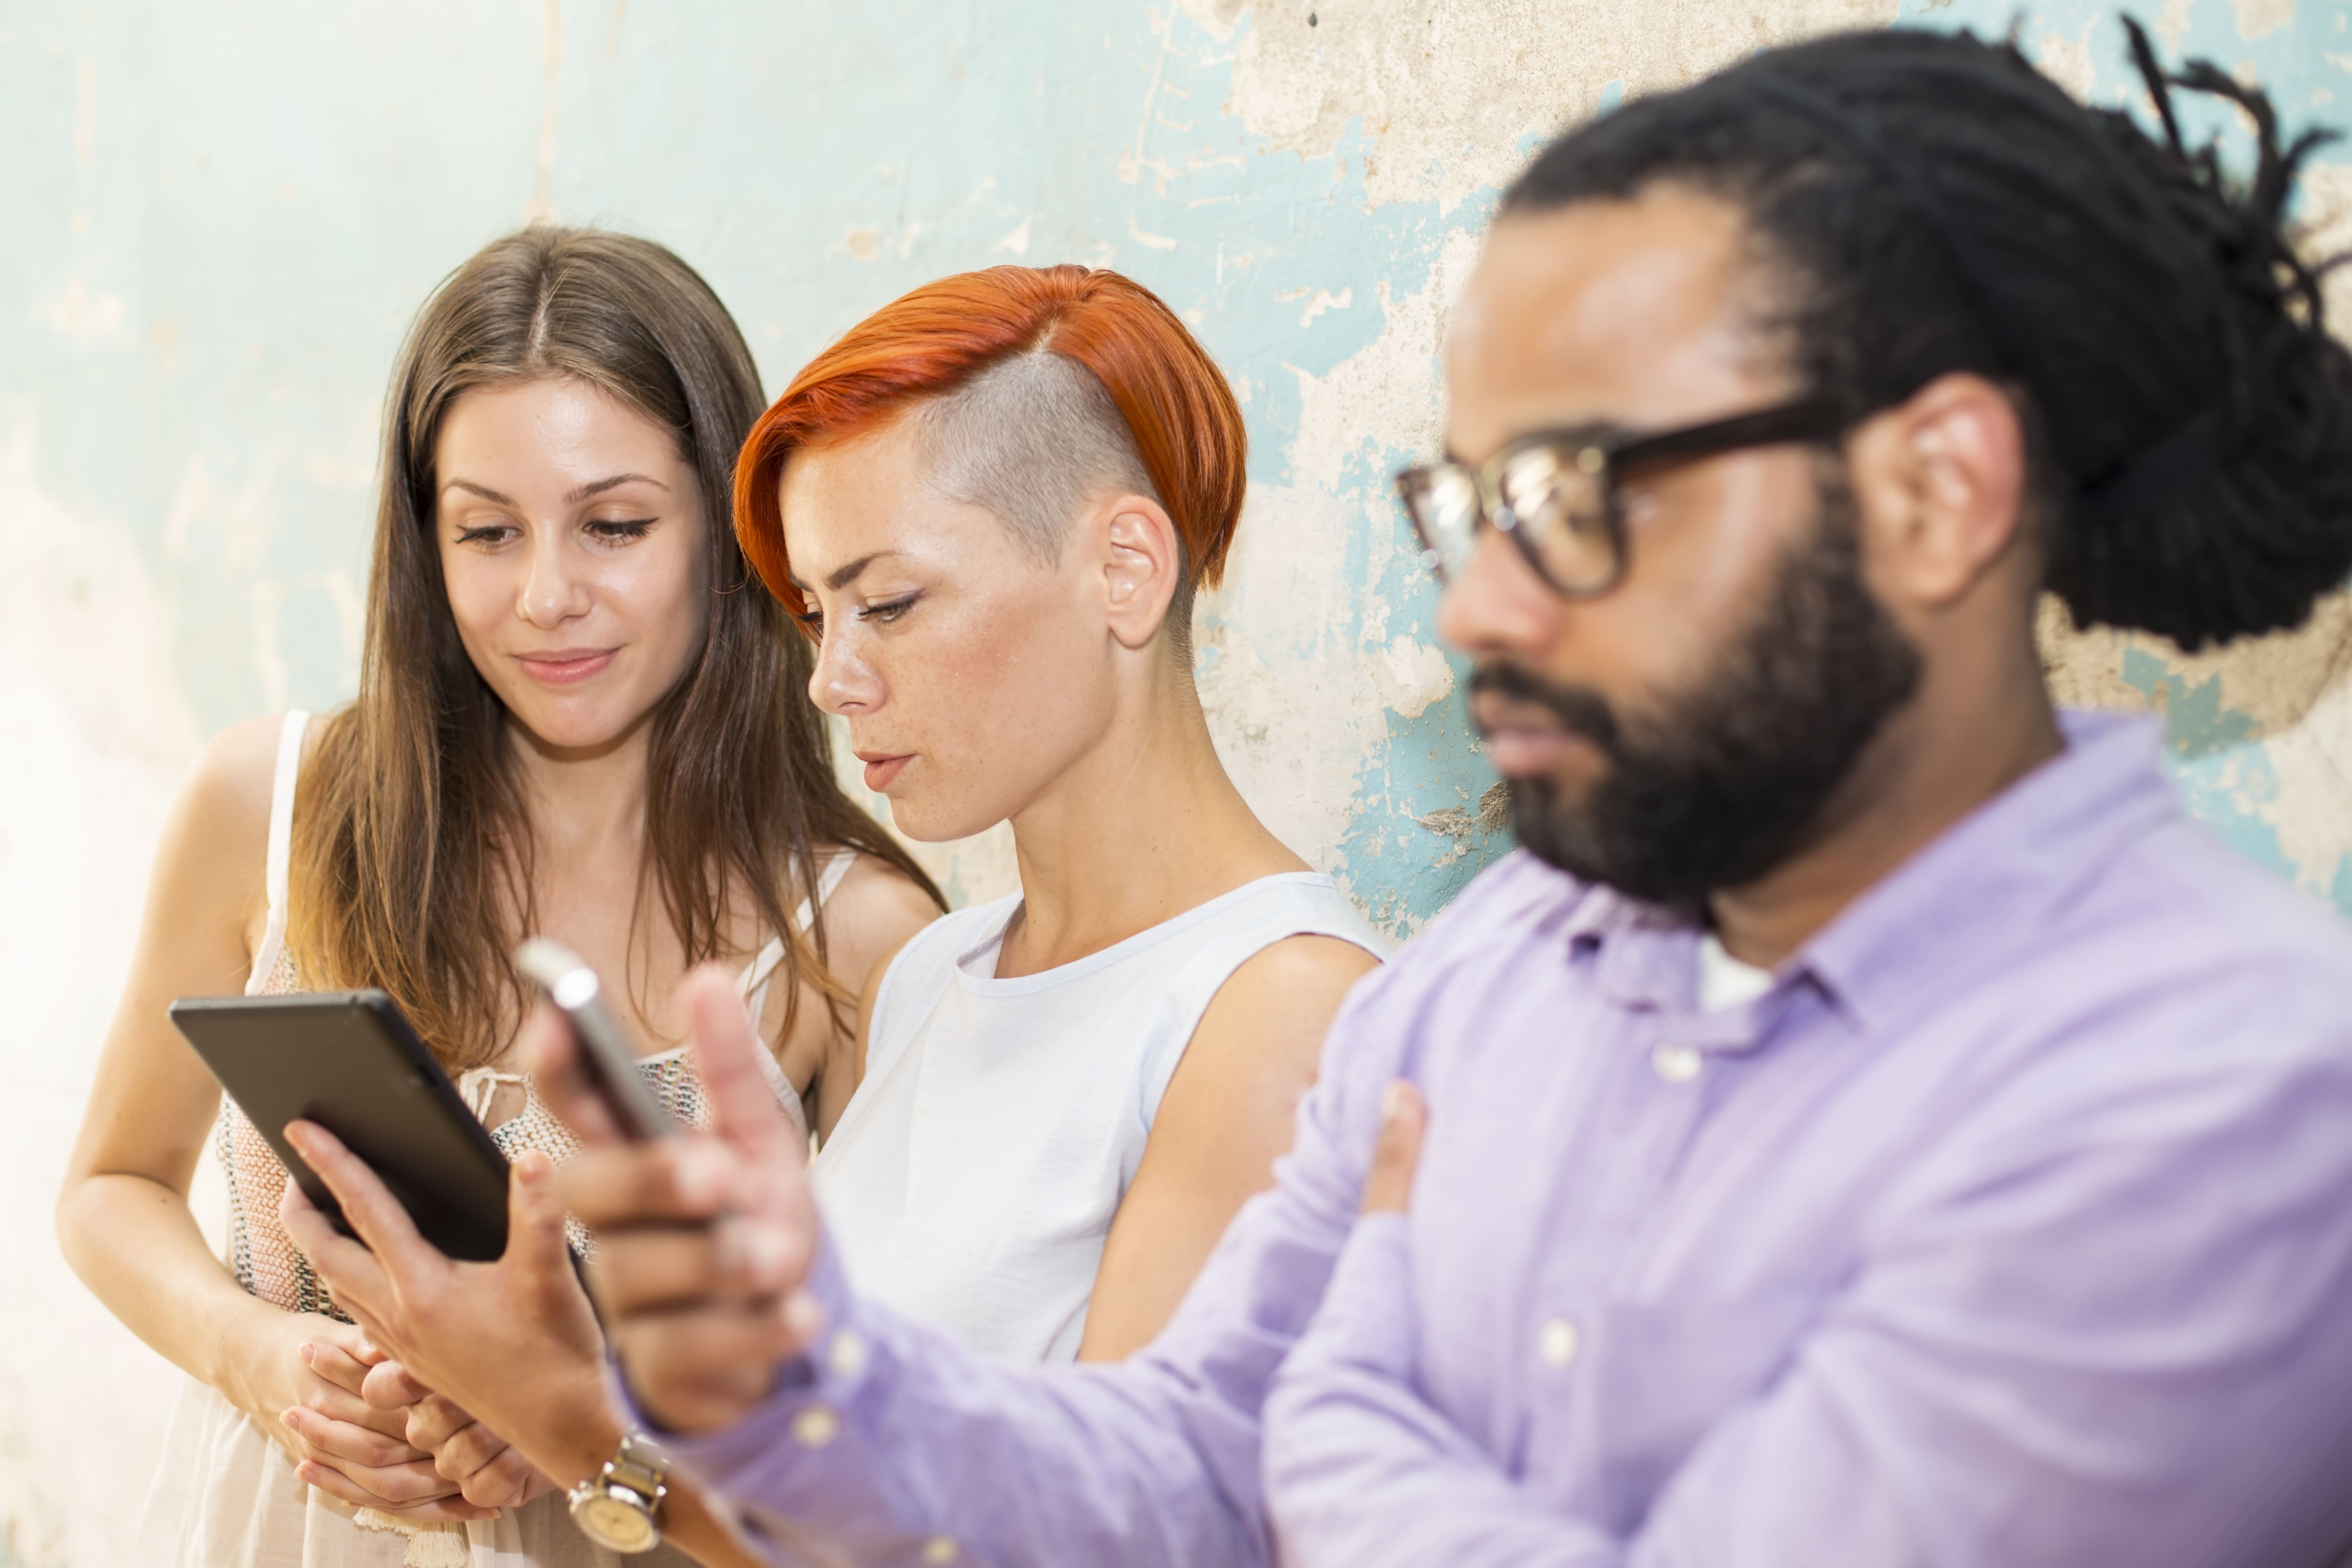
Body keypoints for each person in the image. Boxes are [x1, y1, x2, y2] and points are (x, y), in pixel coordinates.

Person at [313, 22, 2352, 1568]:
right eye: (1456, 504)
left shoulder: (2228, 1082)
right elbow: (1185, 1458)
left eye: (1566, 496)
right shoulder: (1499, 983)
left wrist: (1352, 1424)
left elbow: (1283, 1465)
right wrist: (799, 1377)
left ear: (1937, 490)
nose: (1472, 598)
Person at [285, 262, 1387, 1401]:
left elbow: (1116, 1524)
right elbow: (827, 1460)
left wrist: (574, 1423)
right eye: (815, 614)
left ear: (1123, 569)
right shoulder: (934, 978)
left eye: (890, 605)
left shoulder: (1286, 1011)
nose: (830, 680)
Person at [55, 228, 942, 1568]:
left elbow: (874, 1426)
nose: (546, 598)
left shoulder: (851, 942)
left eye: (615, 524)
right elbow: (111, 1183)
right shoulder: (271, 805)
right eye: (486, 530)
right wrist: (257, 1353)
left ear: (728, 529)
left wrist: (581, 1412)